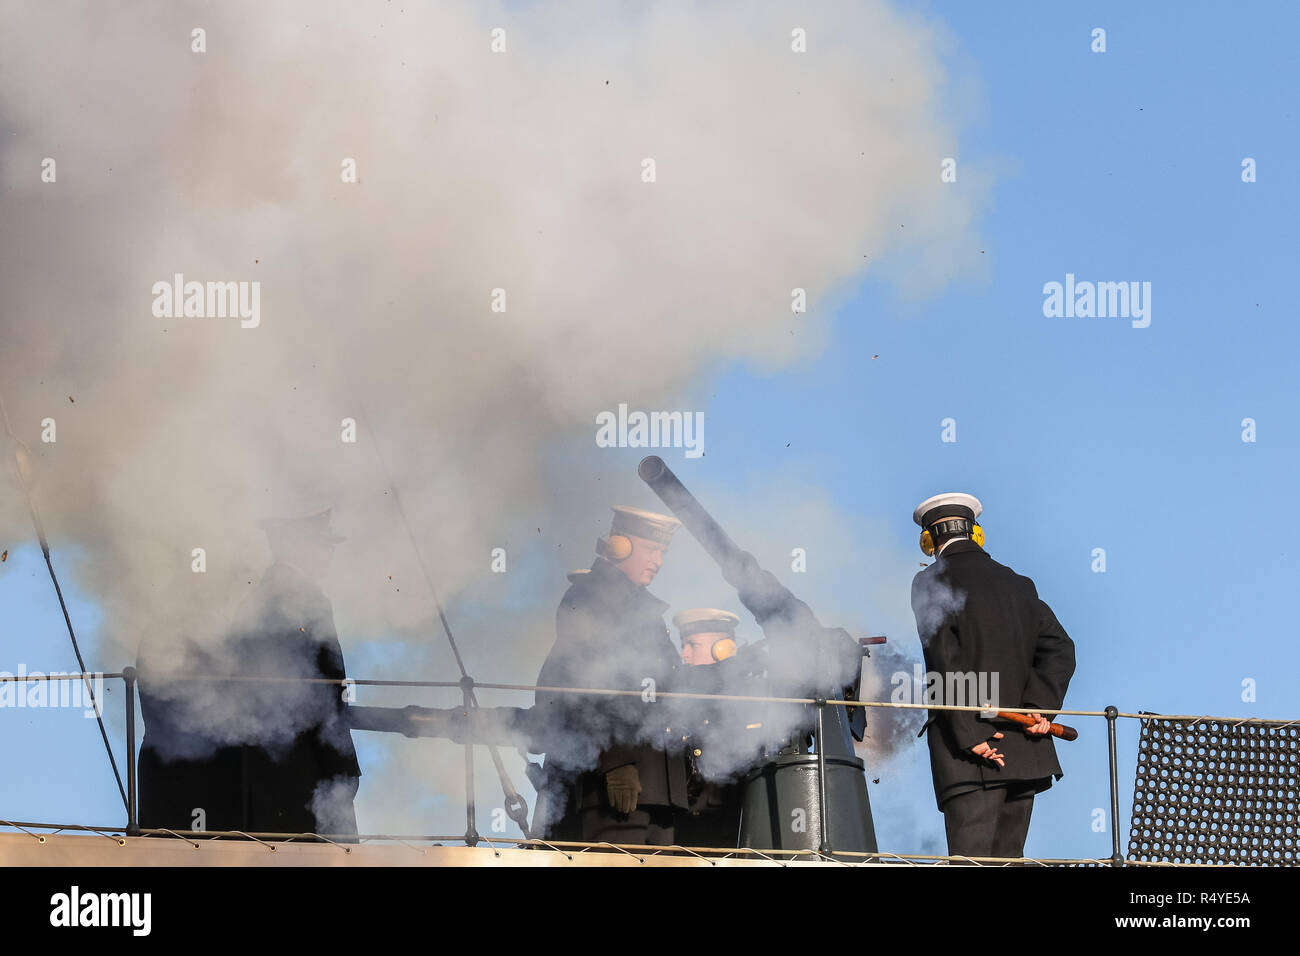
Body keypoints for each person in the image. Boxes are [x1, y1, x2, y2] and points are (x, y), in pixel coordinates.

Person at [138, 508, 361, 838]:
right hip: (300, 769)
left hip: (261, 774)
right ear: (299, 547)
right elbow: (327, 691)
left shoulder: (256, 598)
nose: (329, 554)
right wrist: (344, 767)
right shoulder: (306, 601)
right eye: (322, 545)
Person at [909, 493, 1075, 862]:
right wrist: (1038, 710)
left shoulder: (930, 582)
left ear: (929, 539)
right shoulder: (1020, 584)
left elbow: (942, 661)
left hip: (971, 755)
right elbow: (1061, 649)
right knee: (1009, 859)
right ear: (976, 533)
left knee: (970, 861)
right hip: (1025, 748)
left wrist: (972, 735)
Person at [533, 506, 690, 846]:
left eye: (662, 552)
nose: (658, 561)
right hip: (613, 787)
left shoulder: (639, 606)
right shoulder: (593, 596)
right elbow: (587, 679)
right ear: (620, 545)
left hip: (652, 788)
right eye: (651, 549)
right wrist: (616, 762)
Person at [672, 608, 744, 849]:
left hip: (730, 816)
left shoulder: (747, 686)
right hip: (686, 813)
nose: (684, 654)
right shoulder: (680, 689)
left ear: (722, 648)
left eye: (692, 645)